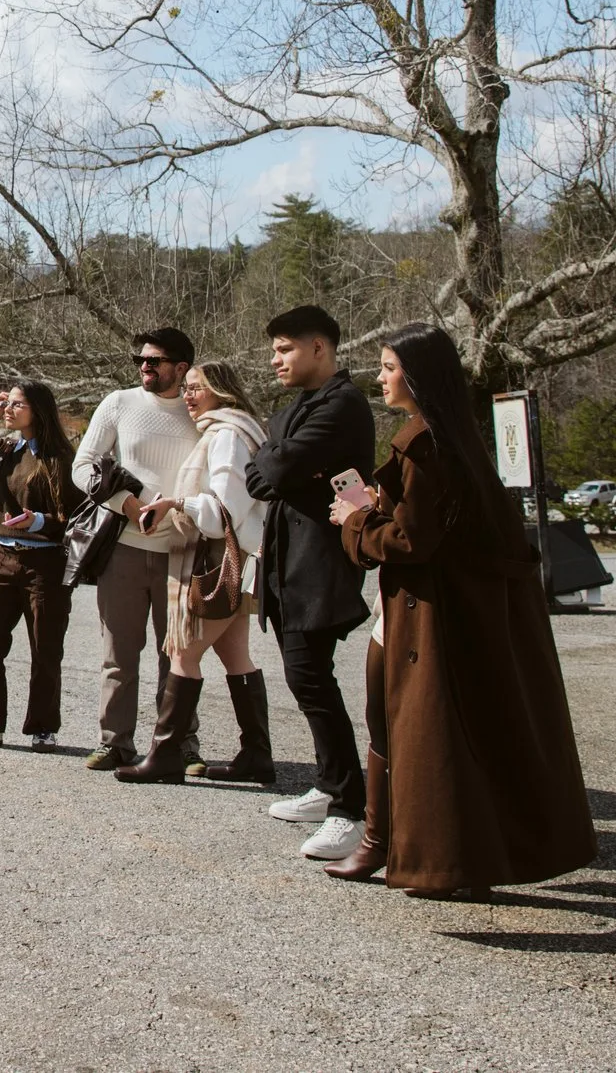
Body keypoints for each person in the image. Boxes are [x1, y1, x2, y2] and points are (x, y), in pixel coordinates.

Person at [326, 324, 595, 892]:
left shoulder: (425, 444)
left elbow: (410, 542)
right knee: (410, 723)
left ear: (417, 377)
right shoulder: (453, 437)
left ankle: (406, 849)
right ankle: (400, 846)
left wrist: (354, 519)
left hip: (427, 613)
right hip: (438, 609)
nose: (380, 377)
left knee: (407, 725)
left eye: (388, 367)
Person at [242, 303, 375, 863]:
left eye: (284, 348)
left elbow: (271, 470)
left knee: (312, 681)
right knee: (308, 679)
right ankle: (330, 785)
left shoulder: (343, 405)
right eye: (273, 349)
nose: (275, 359)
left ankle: (351, 809)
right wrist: (284, 463)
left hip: (318, 565)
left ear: (319, 347)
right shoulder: (295, 408)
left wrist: (283, 465)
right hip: (289, 561)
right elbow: (263, 470)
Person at [116, 360, 272, 784]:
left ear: (221, 389)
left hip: (223, 557)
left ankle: (165, 754)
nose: (187, 395)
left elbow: (226, 510)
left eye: (196, 387)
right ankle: (257, 755)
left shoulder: (226, 436)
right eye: (185, 388)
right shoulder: (234, 430)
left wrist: (175, 504)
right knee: (234, 653)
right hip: (236, 557)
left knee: (183, 653)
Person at [73, 328, 204, 771]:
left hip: (183, 549)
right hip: (123, 547)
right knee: (119, 654)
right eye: (140, 361)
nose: (144, 367)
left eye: (154, 361)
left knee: (179, 654)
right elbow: (83, 465)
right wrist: (124, 504)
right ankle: (114, 742)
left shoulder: (200, 409)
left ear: (181, 367)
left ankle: (181, 744)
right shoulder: (119, 403)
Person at [0, 380, 81, 750]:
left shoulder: (61, 458)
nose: (9, 409)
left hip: (45, 563)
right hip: (2, 558)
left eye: (16, 404)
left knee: (45, 647)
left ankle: (42, 728)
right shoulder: (5, 449)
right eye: (6, 403)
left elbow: (74, 517)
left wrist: (37, 521)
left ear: (38, 410)